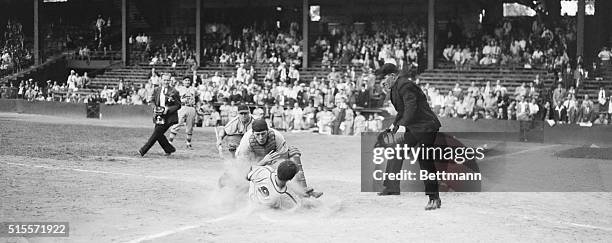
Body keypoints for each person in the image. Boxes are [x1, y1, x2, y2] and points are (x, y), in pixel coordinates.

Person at [375, 63, 443, 211]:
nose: (383, 80)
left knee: (425, 160)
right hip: (413, 127)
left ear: (393, 76)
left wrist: (403, 126)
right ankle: (391, 187)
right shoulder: (394, 89)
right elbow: (402, 111)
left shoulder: (406, 85)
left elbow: (411, 108)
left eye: (385, 77)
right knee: (396, 150)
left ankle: (434, 198)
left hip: (426, 127)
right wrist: (395, 126)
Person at [235, 119, 323, 198]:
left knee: (293, 153)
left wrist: (274, 166)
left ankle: (303, 189)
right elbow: (245, 172)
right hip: (254, 161)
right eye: (258, 135)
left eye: (263, 134)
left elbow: (283, 161)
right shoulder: (246, 143)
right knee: (243, 183)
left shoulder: (277, 136)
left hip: (272, 157)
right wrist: (263, 162)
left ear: (268, 131)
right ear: (253, 133)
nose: (261, 137)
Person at [139, 75, 181, 156]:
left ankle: (143, 150)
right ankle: (169, 149)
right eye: (164, 80)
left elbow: (178, 105)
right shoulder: (157, 90)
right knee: (159, 135)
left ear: (170, 81)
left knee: (156, 134)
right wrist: (155, 108)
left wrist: (168, 109)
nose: (166, 82)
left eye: (168, 80)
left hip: (169, 117)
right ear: (161, 80)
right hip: (158, 116)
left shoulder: (174, 91)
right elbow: (152, 101)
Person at [169, 77, 198, 148]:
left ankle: (188, 143)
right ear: (183, 81)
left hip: (191, 107)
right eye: (186, 80)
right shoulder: (179, 88)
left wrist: (197, 106)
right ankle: (170, 142)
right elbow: (172, 95)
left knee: (190, 126)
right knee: (177, 123)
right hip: (182, 107)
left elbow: (197, 97)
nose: (187, 82)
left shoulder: (194, 89)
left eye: (188, 80)